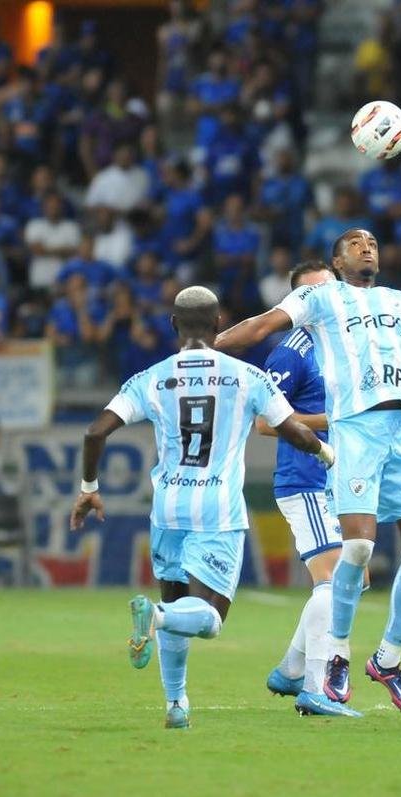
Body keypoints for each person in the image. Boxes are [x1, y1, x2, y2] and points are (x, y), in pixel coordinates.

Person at [214, 228, 401, 717]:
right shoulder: (316, 308)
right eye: (354, 243)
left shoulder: (400, 301)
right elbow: (262, 331)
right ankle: (330, 668)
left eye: (372, 242)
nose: (367, 246)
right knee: (358, 550)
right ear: (334, 264)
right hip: (342, 444)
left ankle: (382, 660)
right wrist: (207, 345)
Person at [69, 287, 334, 730]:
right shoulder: (247, 376)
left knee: (177, 605)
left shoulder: (151, 377)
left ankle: (176, 705)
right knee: (207, 619)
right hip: (217, 511)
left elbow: (94, 433)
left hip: (168, 510)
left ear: (173, 325)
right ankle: (154, 616)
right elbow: (296, 433)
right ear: (218, 326)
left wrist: (89, 487)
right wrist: (331, 458)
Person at [258, 261, 353, 717]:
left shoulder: (347, 343)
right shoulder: (291, 350)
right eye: (314, 293)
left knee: (352, 578)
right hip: (307, 478)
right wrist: (335, 421)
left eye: (331, 290)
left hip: (341, 479)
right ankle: (314, 689)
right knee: (334, 581)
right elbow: (264, 420)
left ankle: (292, 669)